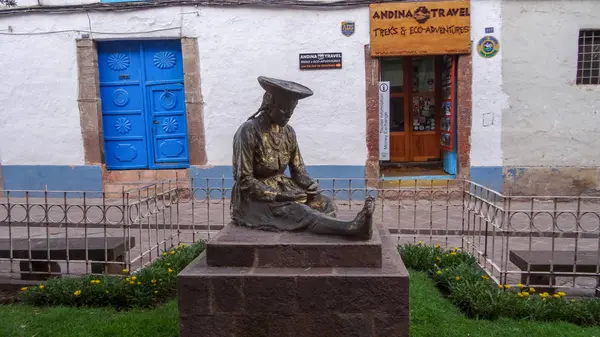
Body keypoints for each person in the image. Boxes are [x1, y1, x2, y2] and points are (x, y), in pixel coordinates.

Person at [230, 76, 374, 240]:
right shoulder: (248, 131)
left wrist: (311, 184)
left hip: (285, 190)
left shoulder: (289, 132)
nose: (289, 114)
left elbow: (298, 171)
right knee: (300, 212)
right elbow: (244, 179)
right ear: (269, 105)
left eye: (292, 110)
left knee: (325, 203)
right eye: (284, 109)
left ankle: (326, 229)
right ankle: (352, 228)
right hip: (255, 198)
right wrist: (277, 195)